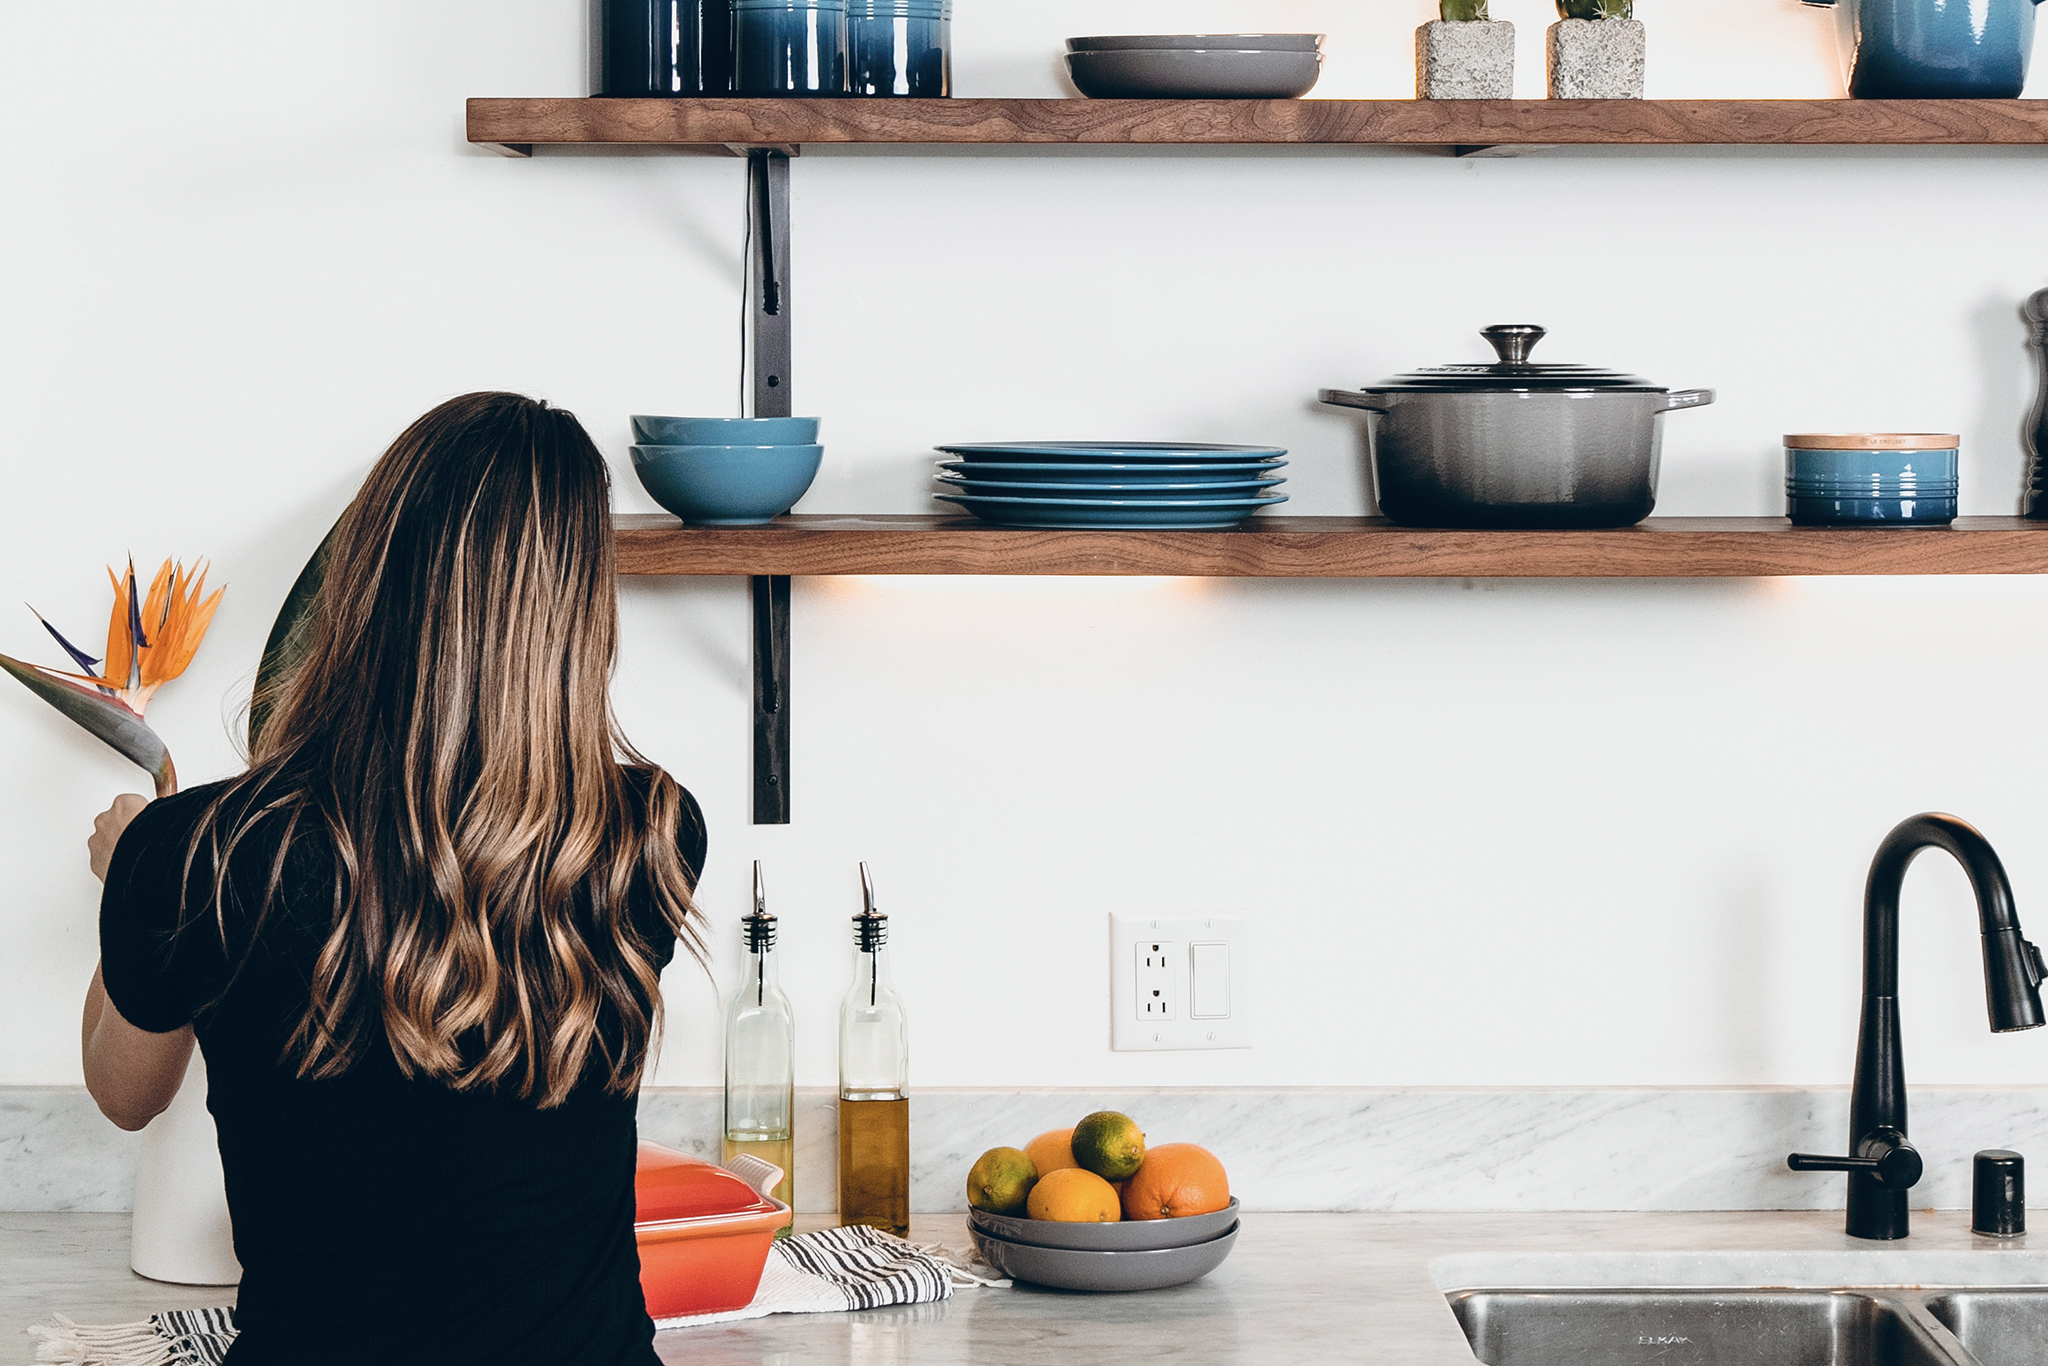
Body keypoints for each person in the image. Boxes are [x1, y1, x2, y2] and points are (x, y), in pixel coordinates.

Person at [80, 392, 706, 1366]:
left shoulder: (190, 848)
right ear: (579, 608)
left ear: (362, 574)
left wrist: (131, 876)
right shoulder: (640, 835)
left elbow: (125, 1090)